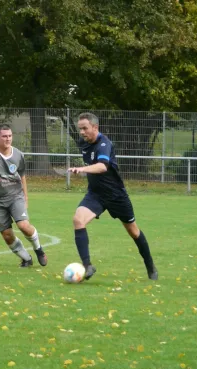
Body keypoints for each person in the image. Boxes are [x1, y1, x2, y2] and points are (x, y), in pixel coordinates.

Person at [68, 112, 158, 281]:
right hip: (95, 194)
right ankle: (87, 266)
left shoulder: (105, 144)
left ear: (95, 127)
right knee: (78, 220)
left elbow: (102, 167)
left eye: (85, 128)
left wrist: (82, 169)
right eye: (80, 129)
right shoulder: (83, 142)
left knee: (133, 231)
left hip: (116, 195)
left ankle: (150, 265)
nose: (81, 132)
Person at [0, 123, 47, 267]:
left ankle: (39, 250)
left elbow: (23, 176)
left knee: (24, 225)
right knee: (7, 235)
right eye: (4, 136)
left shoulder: (18, 154)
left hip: (15, 196)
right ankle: (26, 258)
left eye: (10, 136)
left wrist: (26, 197)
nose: (8, 139)